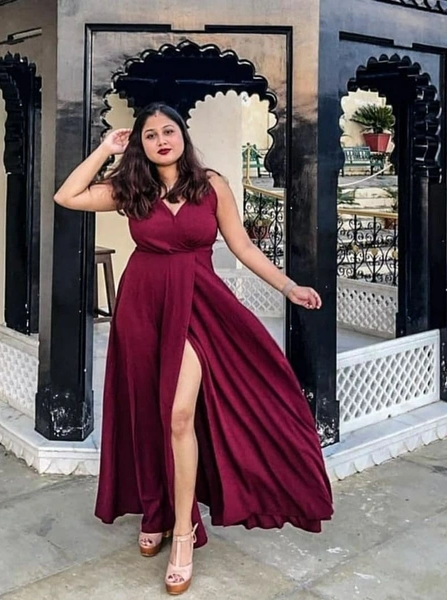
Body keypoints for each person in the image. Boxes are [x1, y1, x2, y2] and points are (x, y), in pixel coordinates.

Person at [54, 102, 333, 595]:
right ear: (140, 145)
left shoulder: (211, 185)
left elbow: (243, 246)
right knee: (148, 412)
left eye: (169, 131)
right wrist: (105, 148)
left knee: (179, 414)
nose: (161, 140)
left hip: (200, 305)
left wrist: (288, 287)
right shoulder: (131, 187)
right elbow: (67, 195)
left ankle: (183, 531)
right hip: (143, 306)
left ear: (182, 135)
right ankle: (156, 512)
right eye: (150, 135)